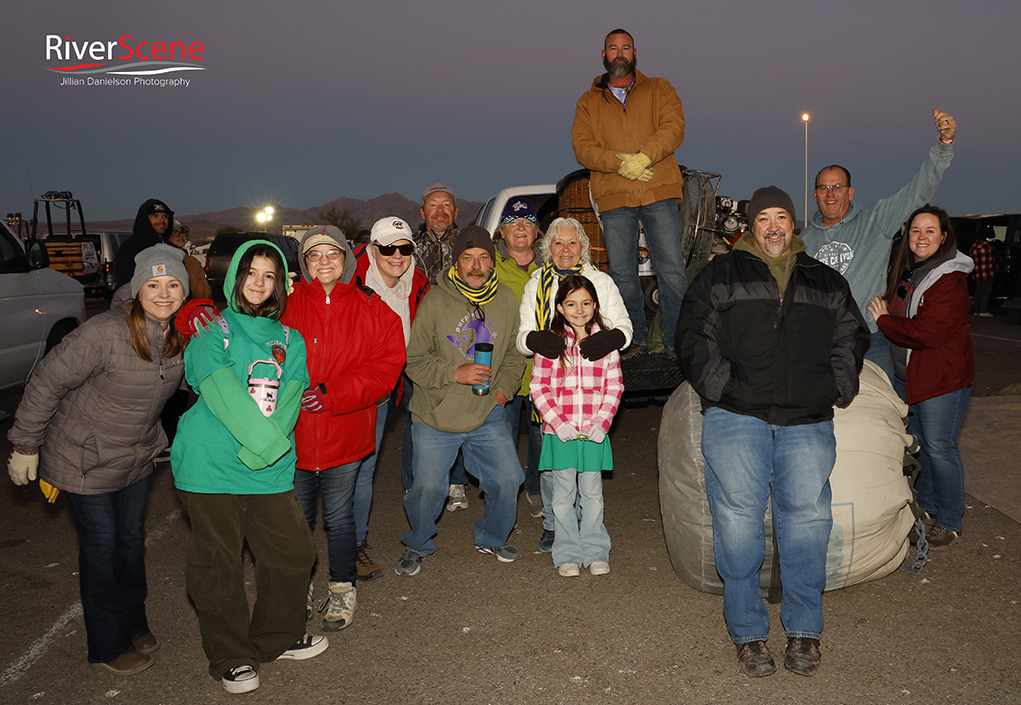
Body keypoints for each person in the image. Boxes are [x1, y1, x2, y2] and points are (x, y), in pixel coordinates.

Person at [678, 187, 869, 678]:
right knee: (738, 521)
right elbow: (692, 334)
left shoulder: (825, 280)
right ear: (749, 226)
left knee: (807, 520)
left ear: (794, 223)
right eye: (763, 218)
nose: (773, 227)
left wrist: (837, 385)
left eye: (781, 216)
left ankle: (805, 630)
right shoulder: (719, 274)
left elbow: (852, 332)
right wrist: (722, 388)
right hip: (736, 415)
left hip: (806, 419)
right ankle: (747, 633)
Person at [8, 244, 188, 676]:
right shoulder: (103, 332)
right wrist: (25, 445)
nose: (163, 293)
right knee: (102, 547)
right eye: (153, 284)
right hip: (82, 456)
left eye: (173, 284)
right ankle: (108, 643)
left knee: (129, 543)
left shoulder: (180, 334)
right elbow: (46, 383)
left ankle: (133, 620)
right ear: (137, 288)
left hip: (136, 455)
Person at [171, 240, 328, 694]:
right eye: (251, 273)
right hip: (211, 465)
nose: (259, 283)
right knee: (218, 563)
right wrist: (261, 446)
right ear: (236, 277)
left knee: (294, 554)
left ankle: (273, 639)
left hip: (269, 466)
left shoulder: (289, 338)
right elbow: (221, 393)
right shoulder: (210, 328)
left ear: (280, 284)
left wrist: (264, 451)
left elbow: (292, 395)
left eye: (269, 275)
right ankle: (231, 656)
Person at [283, 225, 405, 627]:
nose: (323, 262)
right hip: (293, 438)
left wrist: (334, 394)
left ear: (346, 259)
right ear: (303, 262)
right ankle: (297, 589)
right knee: (296, 521)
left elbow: (387, 366)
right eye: (314, 254)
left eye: (331, 253)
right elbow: (236, 323)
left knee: (339, 519)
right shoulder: (284, 303)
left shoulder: (371, 307)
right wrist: (197, 312)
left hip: (346, 432)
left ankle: (342, 589)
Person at [396, 226, 527, 576]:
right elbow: (415, 360)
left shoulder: (505, 300)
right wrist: (457, 373)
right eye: (468, 258)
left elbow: (515, 355)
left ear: (492, 262)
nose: (476, 265)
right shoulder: (436, 300)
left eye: (483, 257)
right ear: (456, 262)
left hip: (486, 412)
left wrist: (503, 392)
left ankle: (492, 535)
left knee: (509, 478)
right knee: (426, 488)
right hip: (436, 416)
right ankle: (417, 543)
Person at [801, 110, 957, 382]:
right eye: (823, 188)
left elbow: (917, 191)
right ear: (814, 195)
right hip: (820, 344)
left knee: (885, 414)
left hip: (870, 341)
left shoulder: (875, 221)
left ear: (850, 192)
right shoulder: (802, 241)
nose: (830, 194)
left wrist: (943, 147)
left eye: (838, 187)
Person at [517, 217, 632, 553]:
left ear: (582, 246)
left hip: (593, 382)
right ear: (547, 247)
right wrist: (535, 339)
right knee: (555, 468)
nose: (565, 249)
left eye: (572, 242)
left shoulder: (600, 280)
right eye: (557, 243)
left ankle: (588, 530)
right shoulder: (536, 281)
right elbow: (522, 336)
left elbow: (624, 326)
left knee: (589, 477)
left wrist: (613, 337)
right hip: (553, 386)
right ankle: (556, 528)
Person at [571, 28, 687, 358]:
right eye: (613, 48)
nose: (619, 53)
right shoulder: (588, 101)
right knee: (622, 274)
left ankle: (676, 342)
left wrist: (645, 157)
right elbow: (582, 148)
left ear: (636, 53)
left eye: (625, 48)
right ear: (604, 55)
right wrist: (620, 164)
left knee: (672, 271)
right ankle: (632, 338)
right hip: (615, 196)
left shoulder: (660, 88)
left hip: (658, 191)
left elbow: (674, 127)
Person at [867, 206, 974, 549]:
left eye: (930, 230)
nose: (922, 237)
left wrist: (884, 321)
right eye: (916, 230)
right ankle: (925, 505)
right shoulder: (912, 271)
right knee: (921, 444)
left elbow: (928, 332)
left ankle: (950, 520)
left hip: (941, 378)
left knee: (940, 447)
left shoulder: (948, 279)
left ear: (944, 236)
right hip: (911, 376)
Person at [351, 217, 430, 580]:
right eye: (387, 248)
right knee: (349, 469)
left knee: (365, 466)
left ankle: (354, 544)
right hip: (357, 384)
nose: (397, 256)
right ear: (372, 249)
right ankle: (347, 545)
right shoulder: (350, 280)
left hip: (393, 384)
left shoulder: (419, 283)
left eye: (404, 248)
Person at [530, 275, 623, 577]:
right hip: (562, 435)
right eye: (571, 303)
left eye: (585, 303)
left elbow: (615, 387)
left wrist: (602, 423)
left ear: (595, 306)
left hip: (593, 435)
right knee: (562, 495)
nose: (579, 309)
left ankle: (595, 550)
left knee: (593, 495)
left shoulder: (605, 345)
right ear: (560, 307)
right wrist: (557, 423)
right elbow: (538, 388)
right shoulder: (552, 345)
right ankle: (567, 552)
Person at [412, 182, 472, 510]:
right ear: (423, 213)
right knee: (419, 411)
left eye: (446, 205)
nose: (440, 211)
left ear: (455, 212)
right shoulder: (407, 248)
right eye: (433, 206)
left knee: (459, 409)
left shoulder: (470, 244)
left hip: (459, 339)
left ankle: (457, 482)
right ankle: (416, 483)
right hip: (420, 340)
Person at [492, 198, 545, 517]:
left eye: (527, 222)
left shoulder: (552, 266)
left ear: (537, 231)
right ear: (501, 231)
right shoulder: (490, 266)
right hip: (505, 367)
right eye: (513, 223)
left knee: (540, 434)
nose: (521, 228)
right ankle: (504, 489)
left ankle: (536, 487)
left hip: (542, 369)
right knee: (502, 435)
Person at [115, 199, 173, 287]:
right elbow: (126, 285)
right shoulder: (129, 249)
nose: (162, 220)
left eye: (165, 216)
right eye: (155, 216)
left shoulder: (172, 250)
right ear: (145, 220)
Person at [168, 221, 213, 300]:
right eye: (175, 232)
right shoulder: (158, 259)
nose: (181, 236)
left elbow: (204, 292)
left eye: (183, 232)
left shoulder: (192, 261)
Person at [968, 233, 998, 317]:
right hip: (987, 272)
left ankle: (977, 311)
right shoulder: (986, 245)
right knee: (986, 292)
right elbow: (993, 252)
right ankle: (983, 311)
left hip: (977, 273)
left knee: (978, 291)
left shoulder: (973, 247)